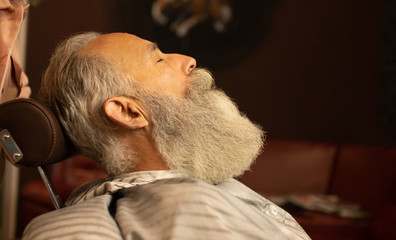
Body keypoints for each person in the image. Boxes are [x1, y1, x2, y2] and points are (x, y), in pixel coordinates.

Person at [23, 32, 311, 239]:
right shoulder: (82, 228)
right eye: (159, 59)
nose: (189, 60)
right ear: (129, 112)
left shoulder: (209, 186)